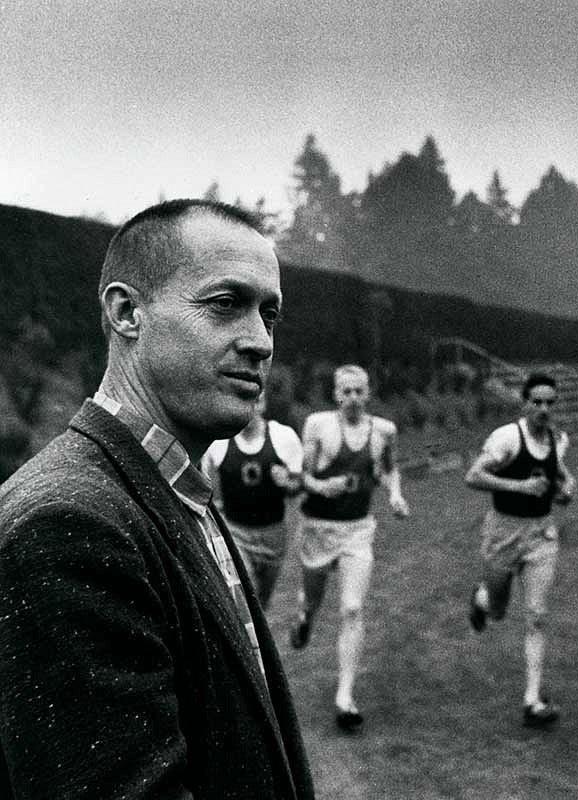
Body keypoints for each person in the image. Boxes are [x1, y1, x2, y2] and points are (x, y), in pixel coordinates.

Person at [0, 200, 313, 798]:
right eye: (226, 305)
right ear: (126, 313)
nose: (261, 342)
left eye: (268, 315)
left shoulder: (175, 487)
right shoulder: (69, 523)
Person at [289, 364, 410, 733]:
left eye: (359, 391)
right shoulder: (318, 426)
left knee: (353, 609)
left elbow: (389, 469)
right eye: (346, 392)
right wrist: (320, 487)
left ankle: (345, 697)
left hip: (358, 529)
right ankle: (305, 617)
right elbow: (300, 477)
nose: (353, 399)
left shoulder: (383, 431)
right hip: (318, 527)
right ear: (335, 394)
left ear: (368, 393)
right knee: (313, 601)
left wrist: (394, 495)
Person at [465, 372, 576, 729]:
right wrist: (521, 486)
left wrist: (567, 486)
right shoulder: (507, 438)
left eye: (549, 402)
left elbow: (559, 474)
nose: (543, 409)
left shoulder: (558, 440)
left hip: (541, 534)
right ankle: (481, 600)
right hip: (503, 531)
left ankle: (532, 700)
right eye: (536, 402)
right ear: (525, 403)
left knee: (537, 615)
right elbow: (474, 476)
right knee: (498, 610)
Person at [202, 393, 304, 609]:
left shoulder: (283, 436)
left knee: (260, 603)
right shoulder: (218, 438)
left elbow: (299, 485)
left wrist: (287, 482)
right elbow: (202, 480)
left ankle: (254, 638)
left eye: (254, 401)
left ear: (263, 404)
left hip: (273, 534)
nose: (248, 408)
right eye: (240, 400)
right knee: (245, 599)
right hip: (235, 532)